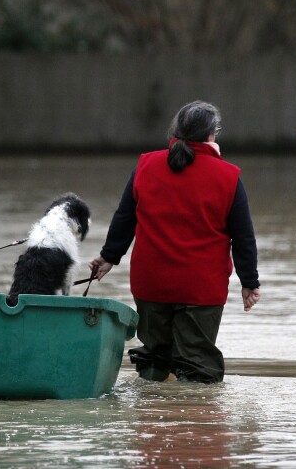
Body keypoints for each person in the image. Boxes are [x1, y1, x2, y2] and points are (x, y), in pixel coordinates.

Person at [90, 101, 260, 384]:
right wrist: (249, 282)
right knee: (197, 365)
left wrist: (109, 257)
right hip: (200, 288)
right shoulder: (228, 176)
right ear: (211, 134)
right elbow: (243, 237)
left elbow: (124, 218)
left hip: (151, 282)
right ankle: (191, 420)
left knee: (155, 358)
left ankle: (153, 419)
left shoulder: (146, 165)